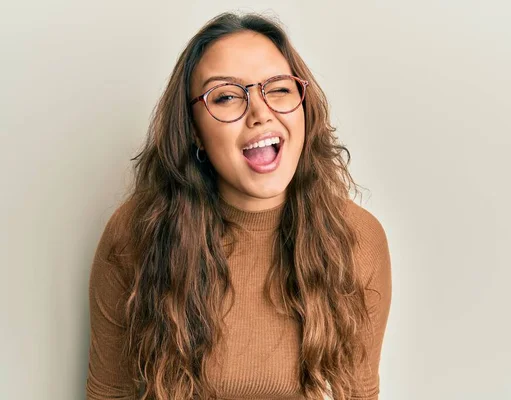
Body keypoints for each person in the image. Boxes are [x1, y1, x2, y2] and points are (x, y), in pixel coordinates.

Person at [86, 11, 392, 400]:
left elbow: (360, 393)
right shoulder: (135, 234)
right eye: (227, 96)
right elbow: (108, 392)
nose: (260, 112)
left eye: (278, 88)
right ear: (194, 130)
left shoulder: (358, 238)